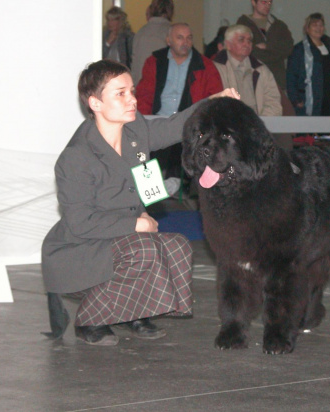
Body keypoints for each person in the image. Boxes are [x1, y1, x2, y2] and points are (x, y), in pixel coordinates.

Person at [41, 59, 239, 346]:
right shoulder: (77, 157)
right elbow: (79, 222)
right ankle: (90, 320)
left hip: (120, 240)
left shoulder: (135, 131)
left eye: (131, 91)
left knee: (177, 246)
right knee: (144, 249)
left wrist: (213, 102)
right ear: (95, 103)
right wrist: (136, 222)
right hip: (78, 249)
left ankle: (133, 312)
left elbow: (175, 126)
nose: (132, 99)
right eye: (120, 93)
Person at [136, 23, 223, 182]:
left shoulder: (206, 66)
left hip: (190, 123)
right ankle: (152, 191)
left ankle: (177, 183)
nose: (186, 42)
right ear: (168, 40)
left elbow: (214, 99)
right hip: (158, 121)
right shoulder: (154, 62)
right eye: (180, 38)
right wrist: (142, 121)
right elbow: (144, 94)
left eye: (189, 38)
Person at [212, 24, 282, 117]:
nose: (246, 44)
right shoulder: (214, 69)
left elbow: (273, 102)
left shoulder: (261, 70)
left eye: (249, 41)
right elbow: (211, 103)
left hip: (258, 125)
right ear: (228, 44)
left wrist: (260, 124)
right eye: (241, 40)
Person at [286, 13, 330, 116]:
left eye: (321, 25)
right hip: (311, 104)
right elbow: (291, 77)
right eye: (314, 25)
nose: (318, 28)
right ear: (307, 28)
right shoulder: (299, 50)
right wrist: (295, 100)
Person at [236, 0, 293, 91]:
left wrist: (267, 46)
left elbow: (288, 48)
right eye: (264, 2)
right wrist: (273, 52)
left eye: (269, 2)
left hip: (276, 81)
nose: (267, 5)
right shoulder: (244, 24)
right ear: (254, 3)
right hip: (252, 80)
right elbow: (243, 49)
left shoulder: (279, 26)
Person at [131, 0, 174, 85]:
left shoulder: (141, 32)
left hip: (141, 86)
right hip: (164, 86)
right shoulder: (173, 32)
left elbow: (134, 65)